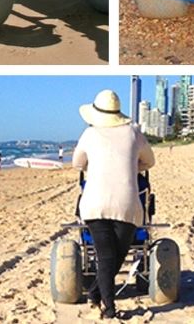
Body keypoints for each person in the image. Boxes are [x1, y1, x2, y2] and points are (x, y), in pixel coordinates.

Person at [72, 90, 155, 320]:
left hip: (95, 202)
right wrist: (129, 167)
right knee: (114, 255)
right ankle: (108, 307)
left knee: (109, 256)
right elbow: (150, 161)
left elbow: (77, 163)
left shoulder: (89, 134)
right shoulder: (134, 132)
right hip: (126, 202)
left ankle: (95, 292)